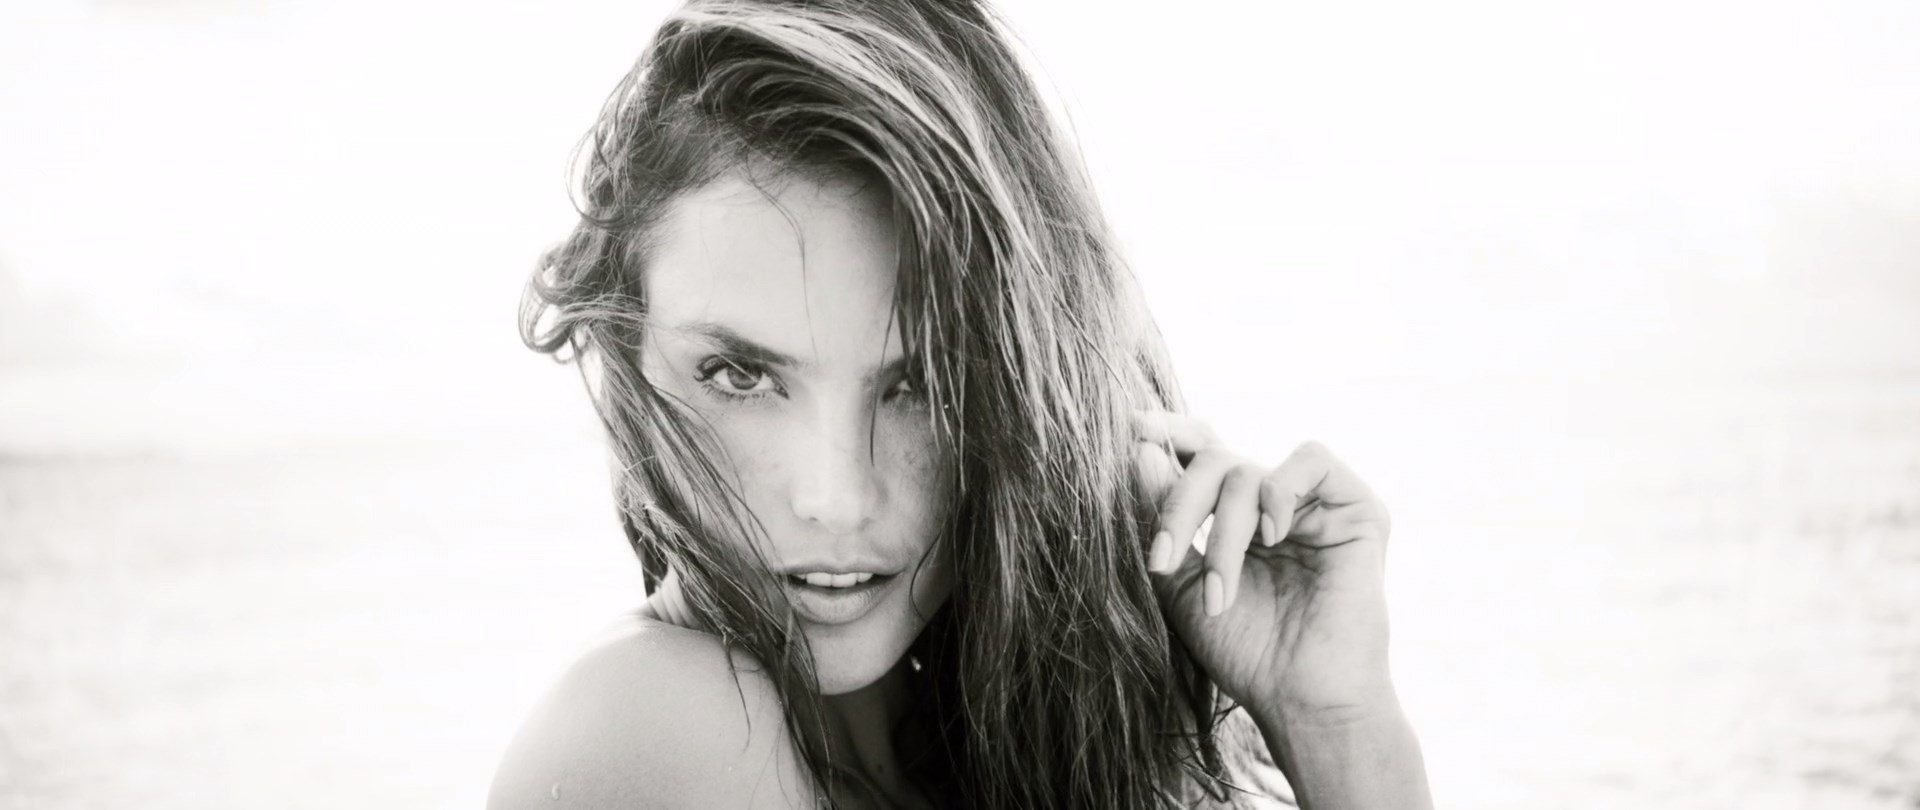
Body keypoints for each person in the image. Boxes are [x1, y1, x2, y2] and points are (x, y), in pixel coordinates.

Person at [488, 0, 1433, 806]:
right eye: (739, 375)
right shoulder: (652, 722)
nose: (835, 500)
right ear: (625, 351)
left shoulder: (958, 724)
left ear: (1026, 389)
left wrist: (1332, 718)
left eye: (923, 386)